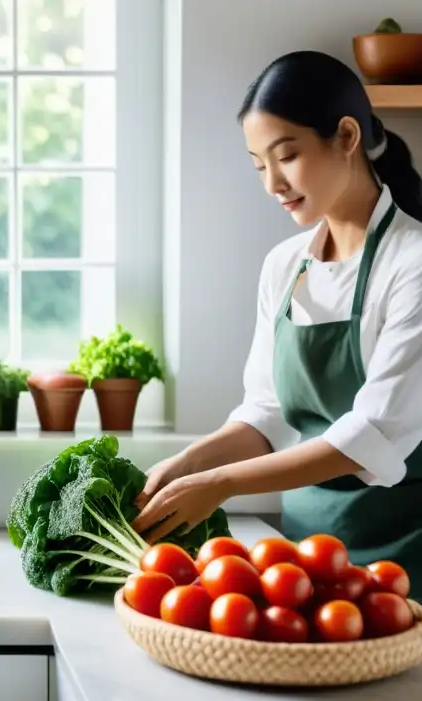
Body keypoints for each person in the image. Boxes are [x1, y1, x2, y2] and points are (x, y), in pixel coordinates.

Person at [131, 50, 422, 593]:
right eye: (259, 165)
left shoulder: (413, 263)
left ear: (347, 136)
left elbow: (372, 436)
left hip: (404, 568)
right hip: (304, 570)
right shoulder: (286, 266)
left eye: (285, 156)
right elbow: (267, 415)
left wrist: (218, 483)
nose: (272, 184)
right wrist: (187, 464)